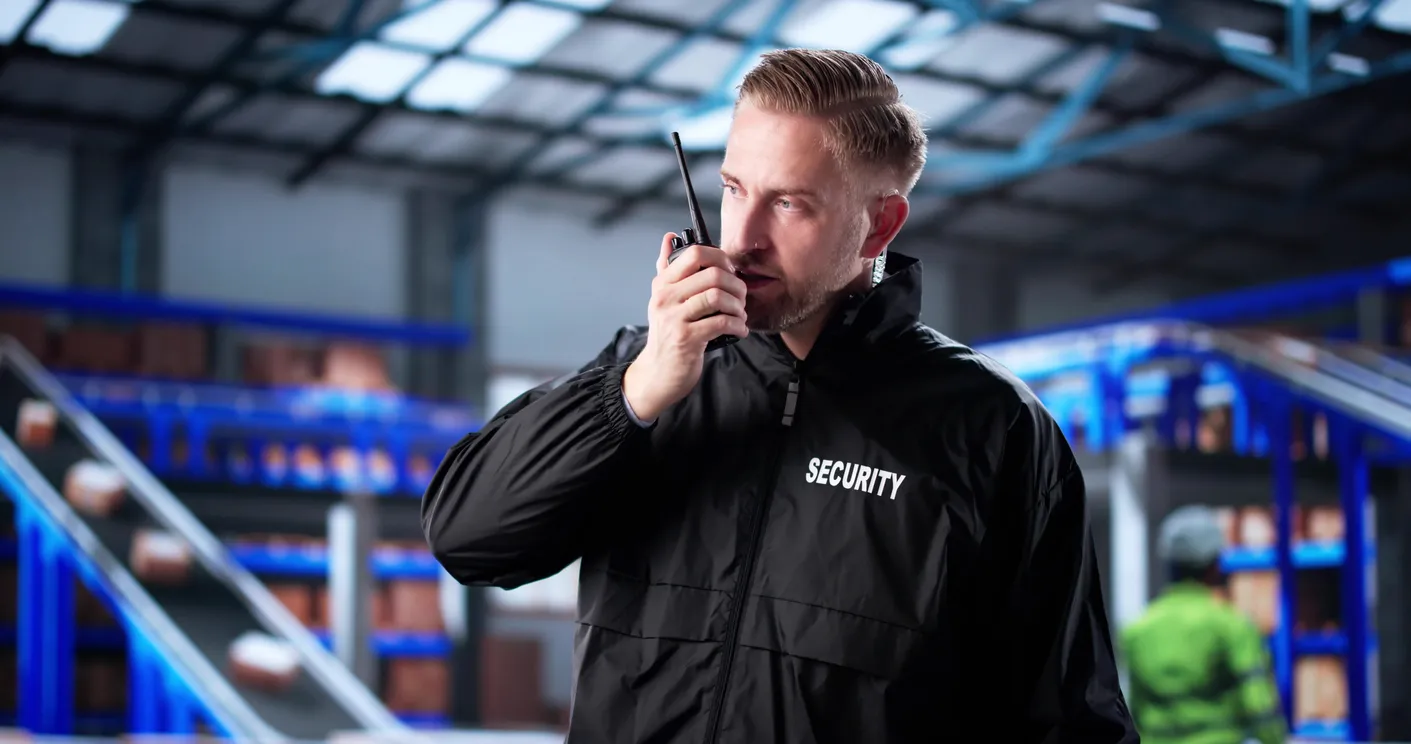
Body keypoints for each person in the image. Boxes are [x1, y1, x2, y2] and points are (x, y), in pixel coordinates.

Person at [422, 47, 1136, 744]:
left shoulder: (990, 426)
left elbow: (1068, 721)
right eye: (734, 189)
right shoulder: (644, 375)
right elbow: (468, 542)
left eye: (789, 203)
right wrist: (637, 391)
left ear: (880, 224)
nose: (743, 238)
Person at [1121, 505, 1287, 744]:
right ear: (1215, 564)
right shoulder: (1231, 626)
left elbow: (1132, 708)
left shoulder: (1136, 630)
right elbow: (1259, 705)